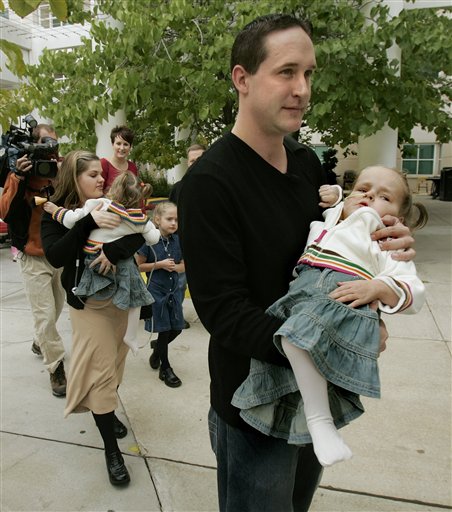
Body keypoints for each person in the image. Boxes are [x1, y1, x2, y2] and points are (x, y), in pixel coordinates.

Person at [177, 14, 416, 512]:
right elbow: (224, 314)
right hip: (253, 401)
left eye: (308, 73)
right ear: (242, 79)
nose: (302, 88)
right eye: (287, 72)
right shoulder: (209, 184)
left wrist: (384, 259)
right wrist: (325, 345)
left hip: (314, 396)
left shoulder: (305, 163)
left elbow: (322, 261)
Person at [233, 166, 428, 468]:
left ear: (396, 218)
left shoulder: (383, 241)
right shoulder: (333, 218)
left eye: (384, 196)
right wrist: (337, 194)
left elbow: (413, 291)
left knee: (294, 338)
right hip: (301, 292)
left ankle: (320, 421)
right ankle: (293, 425)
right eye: (363, 189)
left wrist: (377, 287)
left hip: (341, 295)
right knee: (278, 370)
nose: (369, 196)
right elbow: (335, 200)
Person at [41, 150, 146, 487]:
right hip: (88, 307)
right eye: (92, 175)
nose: (101, 179)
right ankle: (112, 452)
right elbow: (57, 256)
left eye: (101, 174)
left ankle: (107, 410)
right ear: (75, 179)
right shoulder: (59, 216)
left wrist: (113, 250)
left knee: (114, 367)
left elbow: (141, 233)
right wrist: (89, 222)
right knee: (100, 372)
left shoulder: (115, 206)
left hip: (122, 302)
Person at [43, 171, 160, 355]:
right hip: (126, 269)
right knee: (136, 300)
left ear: (114, 188)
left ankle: (123, 337)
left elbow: (70, 219)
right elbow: (152, 239)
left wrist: (54, 210)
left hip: (94, 263)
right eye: (93, 174)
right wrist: (154, 229)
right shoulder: (139, 219)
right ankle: (131, 335)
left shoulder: (97, 205)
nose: (101, 179)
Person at [0, 123, 67, 397]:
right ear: (33, 144)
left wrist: (63, 176)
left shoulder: (60, 172)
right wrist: (18, 177)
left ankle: (41, 342)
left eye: (54, 145)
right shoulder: (20, 174)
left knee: (57, 308)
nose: (50, 151)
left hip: (57, 254)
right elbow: (5, 212)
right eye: (45, 144)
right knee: (45, 316)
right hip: (32, 256)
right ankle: (56, 367)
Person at [136, 201, 185, 388]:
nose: (173, 223)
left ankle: (157, 350)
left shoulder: (178, 240)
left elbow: (183, 265)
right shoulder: (148, 241)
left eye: (176, 220)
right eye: (169, 219)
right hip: (156, 291)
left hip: (174, 292)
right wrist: (160, 264)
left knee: (177, 328)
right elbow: (139, 265)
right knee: (164, 330)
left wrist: (175, 267)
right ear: (157, 220)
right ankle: (165, 368)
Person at [169, 143, 207, 329]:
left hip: (207, 244)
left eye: (199, 159)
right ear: (187, 162)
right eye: (192, 160)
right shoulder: (178, 188)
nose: (195, 163)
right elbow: (169, 214)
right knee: (179, 284)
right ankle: (177, 316)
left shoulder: (215, 186)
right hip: (181, 243)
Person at [100, 125, 138, 192]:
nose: (122, 148)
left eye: (125, 144)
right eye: (118, 143)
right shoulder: (103, 164)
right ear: (112, 144)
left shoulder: (133, 167)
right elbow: (99, 192)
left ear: (130, 147)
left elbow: (135, 192)